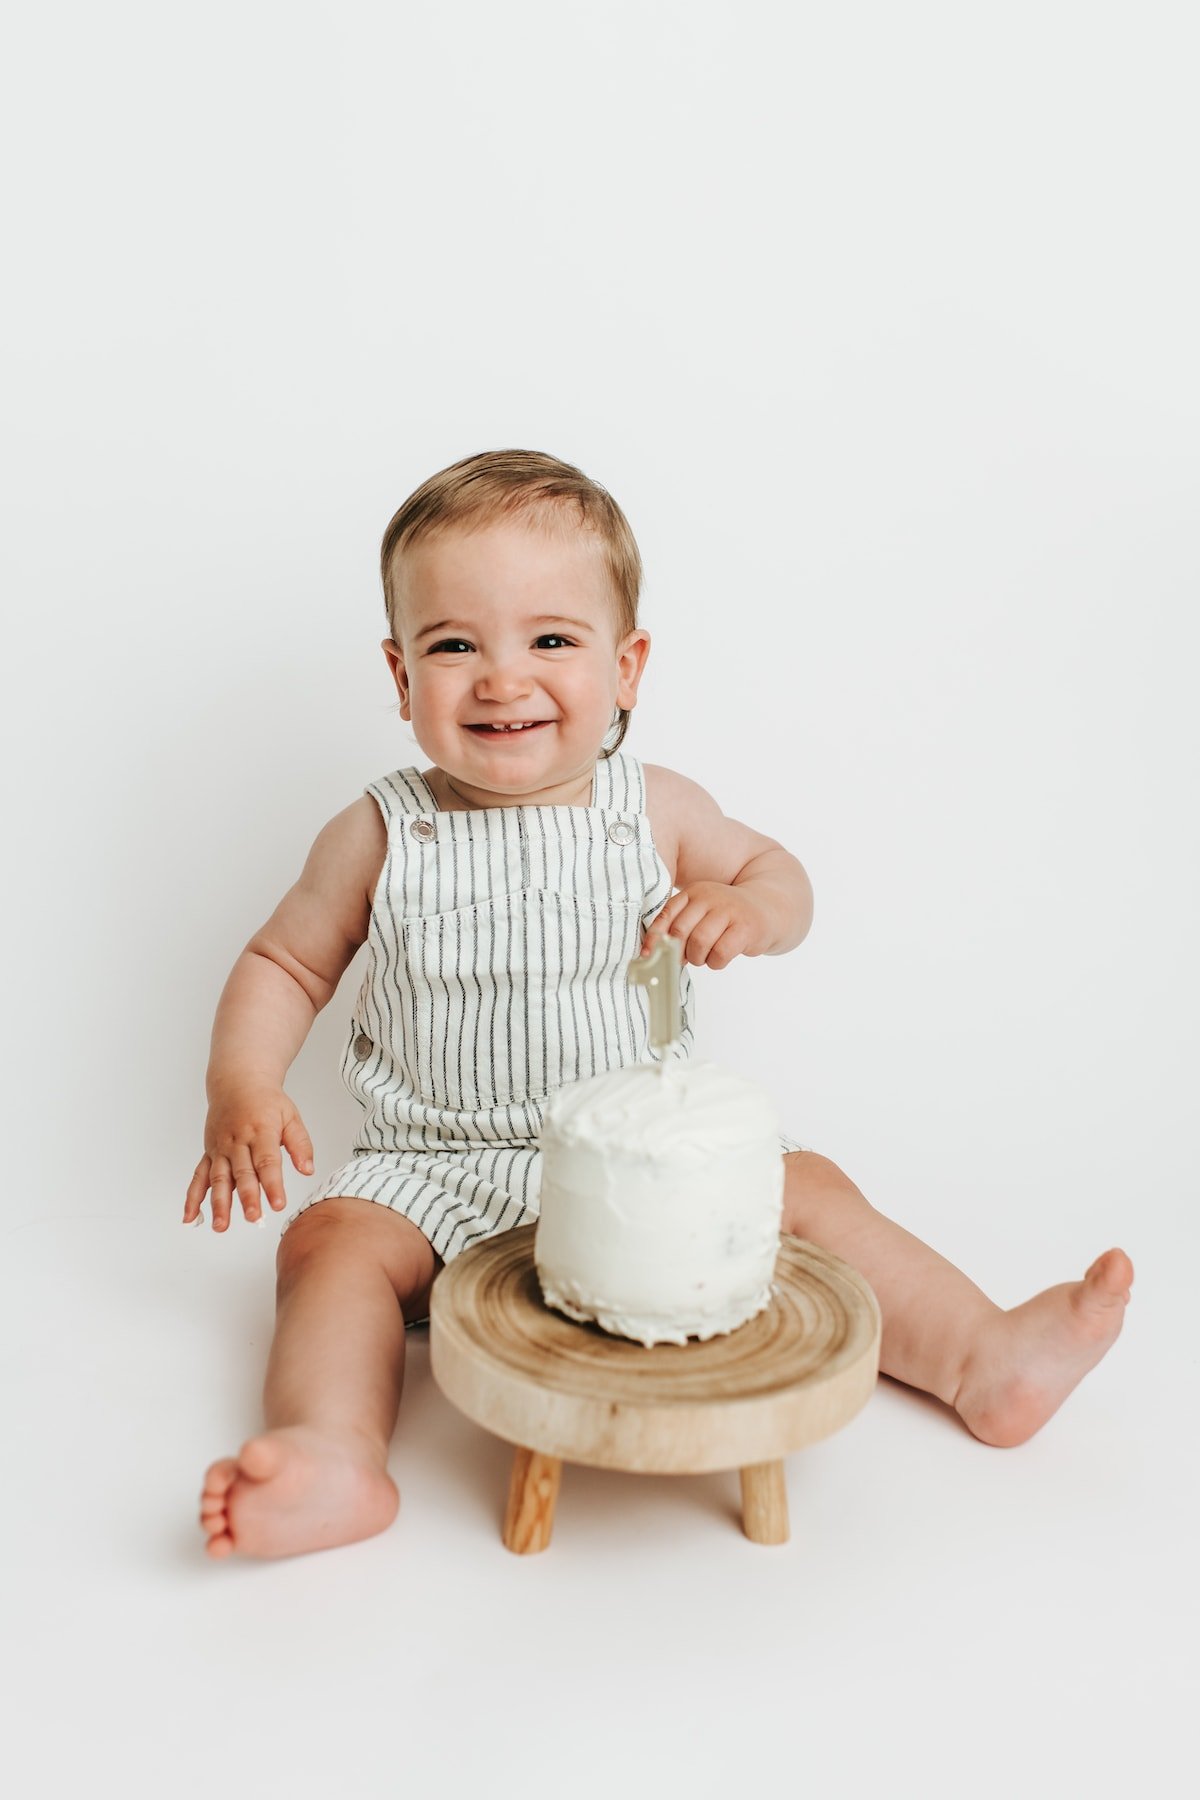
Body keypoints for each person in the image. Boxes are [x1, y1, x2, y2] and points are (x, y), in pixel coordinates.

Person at [186, 448, 1133, 1560]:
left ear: (626, 666)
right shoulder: (381, 831)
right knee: (327, 1250)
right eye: (455, 645)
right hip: (431, 1161)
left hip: (653, 1147)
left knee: (809, 1190)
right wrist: (240, 1082)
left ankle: (983, 1359)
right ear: (400, 679)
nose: (502, 678)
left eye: (551, 639)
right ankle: (334, 1454)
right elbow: (285, 964)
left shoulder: (659, 810)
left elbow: (785, 878)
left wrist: (749, 908)